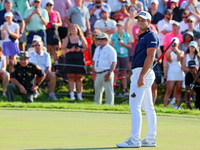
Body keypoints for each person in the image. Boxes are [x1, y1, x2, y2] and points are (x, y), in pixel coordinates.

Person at [116, 11, 158, 148]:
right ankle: (150, 139)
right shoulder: (142, 36)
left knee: (135, 106)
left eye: (143, 20)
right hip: (141, 72)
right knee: (148, 107)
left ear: (149, 22)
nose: (140, 22)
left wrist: (141, 76)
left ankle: (134, 140)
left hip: (143, 73)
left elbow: (151, 57)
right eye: (138, 20)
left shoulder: (151, 36)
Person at [61, 24, 88, 100]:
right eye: (72, 28)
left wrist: (80, 50)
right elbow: (62, 50)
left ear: (78, 30)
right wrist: (70, 50)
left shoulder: (81, 38)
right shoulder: (67, 39)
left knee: (79, 78)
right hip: (70, 60)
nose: (73, 30)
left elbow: (86, 48)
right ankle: (72, 95)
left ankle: (79, 95)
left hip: (79, 60)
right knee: (71, 77)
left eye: (75, 28)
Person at [93, 32, 117, 105]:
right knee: (97, 90)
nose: (100, 40)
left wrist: (109, 73)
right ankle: (97, 105)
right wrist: (94, 71)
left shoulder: (110, 49)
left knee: (108, 91)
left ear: (106, 40)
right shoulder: (97, 48)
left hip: (106, 72)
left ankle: (109, 105)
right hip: (98, 73)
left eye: (102, 39)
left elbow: (113, 62)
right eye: (98, 39)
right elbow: (94, 60)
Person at [110, 21, 132, 96]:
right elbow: (110, 45)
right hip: (116, 55)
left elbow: (130, 46)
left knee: (124, 72)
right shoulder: (114, 35)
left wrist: (123, 44)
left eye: (120, 26)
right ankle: (113, 88)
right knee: (115, 71)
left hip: (124, 55)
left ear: (123, 27)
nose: (119, 27)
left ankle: (124, 89)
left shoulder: (126, 35)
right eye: (118, 26)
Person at [163, 37, 184, 108]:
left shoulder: (181, 52)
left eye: (175, 43)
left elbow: (178, 59)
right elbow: (170, 60)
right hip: (171, 71)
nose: (174, 44)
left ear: (178, 43)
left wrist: (177, 51)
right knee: (169, 90)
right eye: (172, 43)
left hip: (179, 71)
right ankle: (165, 106)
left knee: (178, 90)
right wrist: (171, 51)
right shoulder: (168, 51)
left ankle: (178, 106)